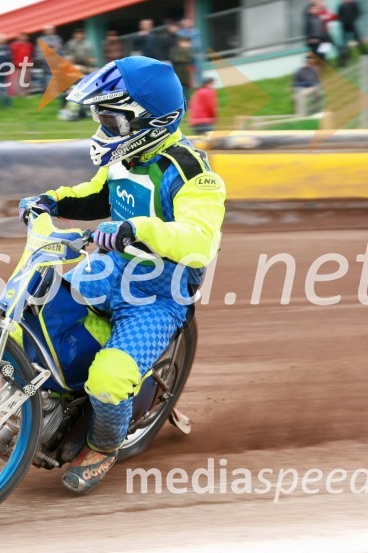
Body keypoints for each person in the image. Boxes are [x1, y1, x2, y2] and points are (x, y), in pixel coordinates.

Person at [13, 57, 225, 493]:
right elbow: (94, 196)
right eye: (101, 118)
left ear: (148, 121)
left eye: (112, 119)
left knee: (108, 379)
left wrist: (137, 228)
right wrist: (50, 201)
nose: (104, 128)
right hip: (109, 272)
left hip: (157, 296)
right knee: (39, 314)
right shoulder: (125, 157)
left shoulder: (192, 172)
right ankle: (48, 399)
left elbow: (199, 240)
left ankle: (103, 446)